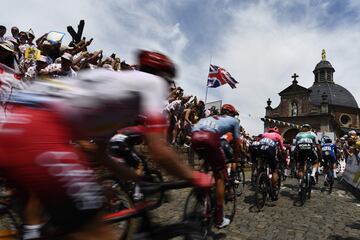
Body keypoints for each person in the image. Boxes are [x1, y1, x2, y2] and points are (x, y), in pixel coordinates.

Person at [0, 50, 211, 239]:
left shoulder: (116, 95)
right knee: (96, 229)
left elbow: (98, 154)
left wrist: (136, 178)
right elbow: (160, 151)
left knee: (39, 223)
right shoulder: (151, 82)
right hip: (39, 129)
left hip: (14, 127)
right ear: (163, 77)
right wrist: (194, 177)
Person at [191, 103, 240, 228]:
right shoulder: (233, 121)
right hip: (210, 138)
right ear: (232, 113)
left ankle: (201, 188)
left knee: (207, 164)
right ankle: (219, 218)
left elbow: (194, 129)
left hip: (195, 137)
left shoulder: (207, 118)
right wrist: (235, 157)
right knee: (220, 176)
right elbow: (236, 142)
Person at [257, 127, 286, 198]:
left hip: (260, 149)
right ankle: (273, 188)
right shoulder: (278, 136)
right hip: (270, 151)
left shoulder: (264, 134)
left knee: (261, 164)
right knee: (274, 170)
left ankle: (260, 176)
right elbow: (282, 148)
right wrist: (284, 155)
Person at [294, 124, 320, 189]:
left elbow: (295, 145)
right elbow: (317, 145)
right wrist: (319, 154)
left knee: (301, 166)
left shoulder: (298, 134)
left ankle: (300, 183)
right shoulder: (312, 134)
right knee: (315, 161)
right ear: (310, 128)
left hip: (301, 151)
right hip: (309, 150)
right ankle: (313, 174)